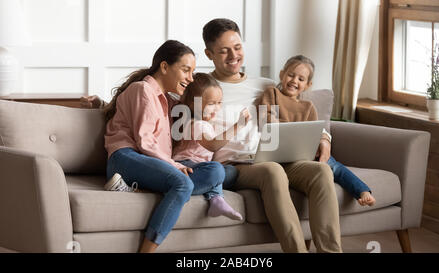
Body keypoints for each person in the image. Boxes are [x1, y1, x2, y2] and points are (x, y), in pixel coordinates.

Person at [202, 18, 342, 253]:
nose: (233, 56)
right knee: (272, 170)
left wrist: (324, 138)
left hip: (276, 155)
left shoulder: (265, 85)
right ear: (209, 54)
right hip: (238, 164)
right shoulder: (204, 88)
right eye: (224, 51)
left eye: (237, 48)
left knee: (321, 171)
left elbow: (301, 111)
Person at [104, 40, 228, 253]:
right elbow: (145, 141)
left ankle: (139, 189)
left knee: (218, 171)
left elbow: (196, 112)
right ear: (164, 67)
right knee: (183, 184)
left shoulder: (169, 102)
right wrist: (174, 166)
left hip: (149, 164)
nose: (191, 78)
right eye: (185, 70)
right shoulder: (143, 89)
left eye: (193, 72)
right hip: (125, 157)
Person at [255, 54, 376, 206]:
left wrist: (321, 143)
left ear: (308, 85)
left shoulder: (308, 107)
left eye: (301, 79)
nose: (294, 81)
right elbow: (266, 120)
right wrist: (293, 127)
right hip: (279, 152)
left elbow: (316, 132)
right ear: (282, 74)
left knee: (334, 166)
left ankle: (362, 191)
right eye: (291, 75)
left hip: (303, 152)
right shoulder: (272, 93)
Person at [172, 72, 251, 220]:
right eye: (211, 103)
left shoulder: (206, 123)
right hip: (186, 166)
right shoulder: (194, 124)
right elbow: (213, 145)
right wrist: (238, 125)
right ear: (192, 104)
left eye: (219, 102)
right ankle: (213, 196)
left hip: (201, 167)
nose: (216, 108)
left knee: (231, 172)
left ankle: (215, 199)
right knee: (216, 169)